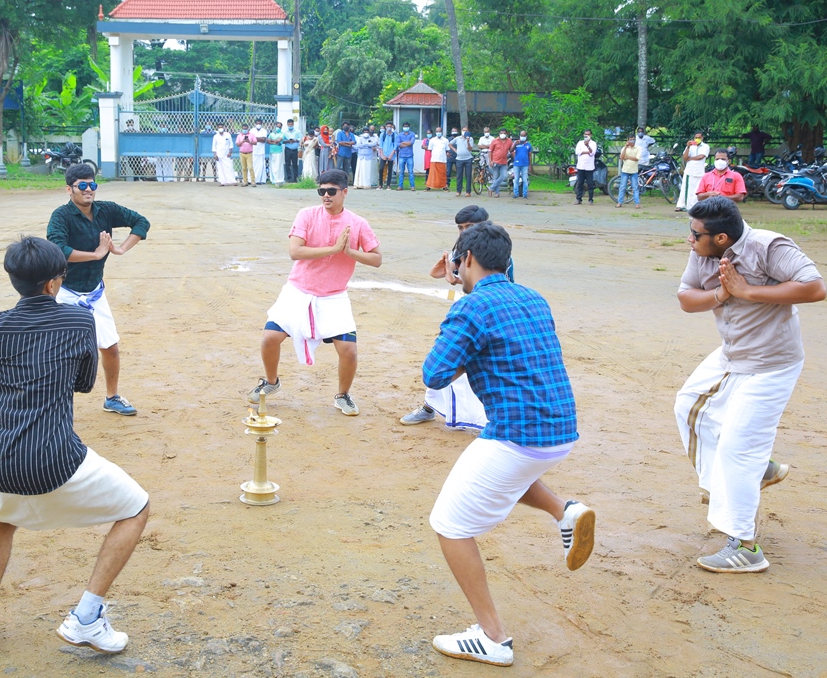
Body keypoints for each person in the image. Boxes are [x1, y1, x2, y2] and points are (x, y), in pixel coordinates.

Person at [0, 237, 150, 656]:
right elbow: (83, 385)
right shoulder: (79, 322)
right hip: (58, 458)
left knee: (2, 519)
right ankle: (86, 617)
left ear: (14, 281)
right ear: (52, 284)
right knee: (137, 507)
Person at [423, 223, 595, 667]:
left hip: (518, 435)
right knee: (505, 476)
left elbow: (434, 374)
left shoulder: (471, 309)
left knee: (449, 523)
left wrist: (461, 304)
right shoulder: (532, 297)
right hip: (559, 430)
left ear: (466, 261)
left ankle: (493, 637)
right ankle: (566, 511)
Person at [675, 197, 825, 572]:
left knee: (736, 450)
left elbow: (815, 288)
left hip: (772, 363)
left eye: (696, 234)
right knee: (689, 406)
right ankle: (757, 471)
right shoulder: (704, 253)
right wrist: (721, 294)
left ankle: (745, 547)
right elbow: (685, 299)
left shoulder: (768, 247)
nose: (689, 240)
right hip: (733, 353)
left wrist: (748, 292)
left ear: (722, 237)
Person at [247, 169, 381, 416]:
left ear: (344, 192)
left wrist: (350, 253)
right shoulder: (307, 215)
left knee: (349, 350)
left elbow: (376, 259)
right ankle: (271, 381)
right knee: (269, 339)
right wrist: (332, 249)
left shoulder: (358, 223)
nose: (326, 196)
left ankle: (343, 395)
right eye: (321, 191)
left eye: (331, 191)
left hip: (334, 295)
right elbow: (295, 252)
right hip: (298, 291)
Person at [46, 163, 150, 417]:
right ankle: (53, 403)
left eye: (92, 184)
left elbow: (141, 222)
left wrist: (122, 248)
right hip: (66, 292)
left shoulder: (106, 210)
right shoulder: (61, 216)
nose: (88, 189)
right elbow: (58, 250)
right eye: (82, 185)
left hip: (94, 292)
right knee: (61, 352)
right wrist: (95, 254)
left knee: (110, 347)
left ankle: (112, 397)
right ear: (69, 189)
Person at [401, 205, 494, 430]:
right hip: (466, 311)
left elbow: (492, 286)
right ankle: (429, 406)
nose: (463, 232)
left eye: (469, 227)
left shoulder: (493, 250)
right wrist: (450, 272)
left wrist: (456, 280)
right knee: (447, 358)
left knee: (474, 363)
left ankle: (491, 417)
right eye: (461, 227)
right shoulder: (462, 248)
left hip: (486, 312)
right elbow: (438, 273)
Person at [676, 130, 710, 212]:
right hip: (689, 171)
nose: (697, 139)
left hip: (699, 171)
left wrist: (690, 159)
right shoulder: (691, 146)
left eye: (699, 137)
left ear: (702, 138)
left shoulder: (705, 146)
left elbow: (701, 156)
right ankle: (682, 205)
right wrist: (688, 147)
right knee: (686, 188)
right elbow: (685, 157)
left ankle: (695, 206)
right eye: (696, 137)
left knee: (697, 189)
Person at [616, 135, 642, 208]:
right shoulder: (624, 148)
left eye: (633, 139)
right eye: (631, 139)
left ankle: (637, 203)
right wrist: (625, 148)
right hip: (625, 170)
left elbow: (637, 158)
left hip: (634, 171)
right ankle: (619, 202)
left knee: (635, 187)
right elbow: (621, 157)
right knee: (622, 187)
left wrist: (628, 157)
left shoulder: (638, 148)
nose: (632, 141)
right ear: (628, 140)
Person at [574, 129, 598, 204]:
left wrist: (587, 146)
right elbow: (577, 152)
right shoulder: (580, 143)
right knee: (580, 183)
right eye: (585, 134)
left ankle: (590, 199)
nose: (586, 136)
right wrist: (586, 152)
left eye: (588, 134)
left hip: (589, 167)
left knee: (590, 184)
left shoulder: (593, 143)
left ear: (591, 135)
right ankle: (579, 199)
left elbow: (592, 153)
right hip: (581, 166)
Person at [487, 129, 513, 198]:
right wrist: (490, 161)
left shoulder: (509, 141)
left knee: (504, 176)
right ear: (499, 133)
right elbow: (490, 151)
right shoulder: (495, 141)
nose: (503, 134)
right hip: (495, 161)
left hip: (504, 162)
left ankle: (491, 188)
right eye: (501, 133)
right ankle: (497, 193)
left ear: (506, 134)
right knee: (495, 177)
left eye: (504, 133)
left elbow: (511, 150)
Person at [450, 127, 475, 197]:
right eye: (464, 130)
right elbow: (450, 144)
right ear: (461, 131)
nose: (465, 132)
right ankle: (458, 191)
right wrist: (455, 150)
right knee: (459, 175)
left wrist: (468, 141)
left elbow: (470, 149)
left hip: (468, 159)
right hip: (459, 159)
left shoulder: (471, 139)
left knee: (468, 175)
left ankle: (468, 191)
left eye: (466, 131)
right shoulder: (458, 138)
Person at [512, 130, 534, 199]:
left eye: (524, 136)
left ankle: (525, 194)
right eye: (521, 136)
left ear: (526, 136)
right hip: (517, 164)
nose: (522, 137)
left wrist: (530, 165)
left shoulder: (528, 145)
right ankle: (516, 193)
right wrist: (515, 144)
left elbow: (530, 155)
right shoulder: (516, 143)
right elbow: (511, 150)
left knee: (525, 179)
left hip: (525, 164)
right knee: (516, 179)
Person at [396, 123, 418, 190]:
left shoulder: (412, 134)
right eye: (404, 126)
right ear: (402, 127)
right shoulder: (399, 135)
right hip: (402, 155)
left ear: (409, 127)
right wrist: (407, 143)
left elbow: (411, 143)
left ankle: (412, 186)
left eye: (407, 126)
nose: (406, 127)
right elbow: (398, 144)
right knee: (401, 171)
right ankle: (400, 186)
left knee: (411, 172)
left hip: (409, 155)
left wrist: (403, 142)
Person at [378, 122, 397, 189]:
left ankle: (388, 185)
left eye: (390, 126)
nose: (389, 128)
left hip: (391, 155)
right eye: (388, 126)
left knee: (390, 170)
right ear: (385, 127)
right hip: (383, 155)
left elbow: (395, 146)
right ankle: (380, 184)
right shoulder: (382, 135)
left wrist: (391, 155)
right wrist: (382, 155)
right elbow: (381, 146)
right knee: (381, 169)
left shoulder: (394, 135)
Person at [250, 119, 269, 185]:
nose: (258, 124)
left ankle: (260, 180)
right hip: (253, 150)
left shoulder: (264, 131)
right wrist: (259, 139)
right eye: (257, 123)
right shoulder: (252, 130)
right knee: (253, 165)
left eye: (259, 123)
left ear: (261, 124)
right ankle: (252, 180)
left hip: (261, 151)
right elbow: (250, 140)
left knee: (261, 165)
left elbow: (264, 140)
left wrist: (255, 138)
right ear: (255, 123)